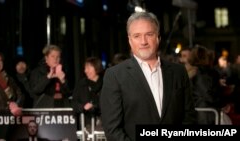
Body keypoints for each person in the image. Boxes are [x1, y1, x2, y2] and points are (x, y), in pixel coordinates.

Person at [100, 12, 197, 141]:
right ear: (130, 40)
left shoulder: (178, 72)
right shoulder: (115, 75)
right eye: (137, 36)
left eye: (149, 34)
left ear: (158, 37)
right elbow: (112, 129)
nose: (143, 41)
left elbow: (189, 117)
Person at [72, 57, 104, 134]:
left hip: (103, 124)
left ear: (96, 68)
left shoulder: (106, 83)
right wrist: (83, 107)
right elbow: (74, 103)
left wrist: (94, 106)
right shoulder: (81, 84)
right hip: (86, 124)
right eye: (85, 68)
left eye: (88, 68)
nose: (85, 71)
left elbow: (110, 103)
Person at [0, 50, 23, 115]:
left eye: (0, 61)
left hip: (11, 115)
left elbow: (20, 94)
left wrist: (16, 105)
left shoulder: (8, 77)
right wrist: (8, 108)